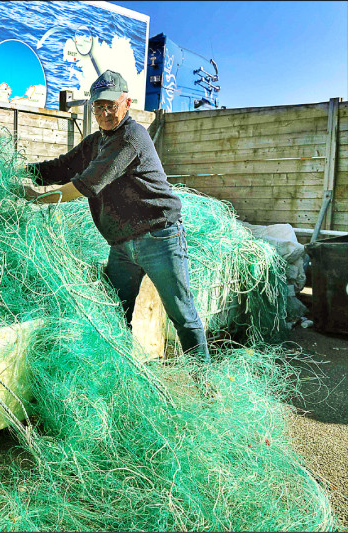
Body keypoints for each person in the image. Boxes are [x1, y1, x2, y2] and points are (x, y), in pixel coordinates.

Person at [19, 70, 210, 364]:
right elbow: (60, 167)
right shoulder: (96, 142)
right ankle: (122, 374)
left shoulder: (132, 137)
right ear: (92, 107)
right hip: (121, 245)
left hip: (159, 238)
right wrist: (20, 171)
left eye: (112, 105)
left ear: (127, 103)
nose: (106, 112)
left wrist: (35, 198)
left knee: (182, 315)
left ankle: (204, 381)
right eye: (99, 106)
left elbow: (88, 184)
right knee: (115, 314)